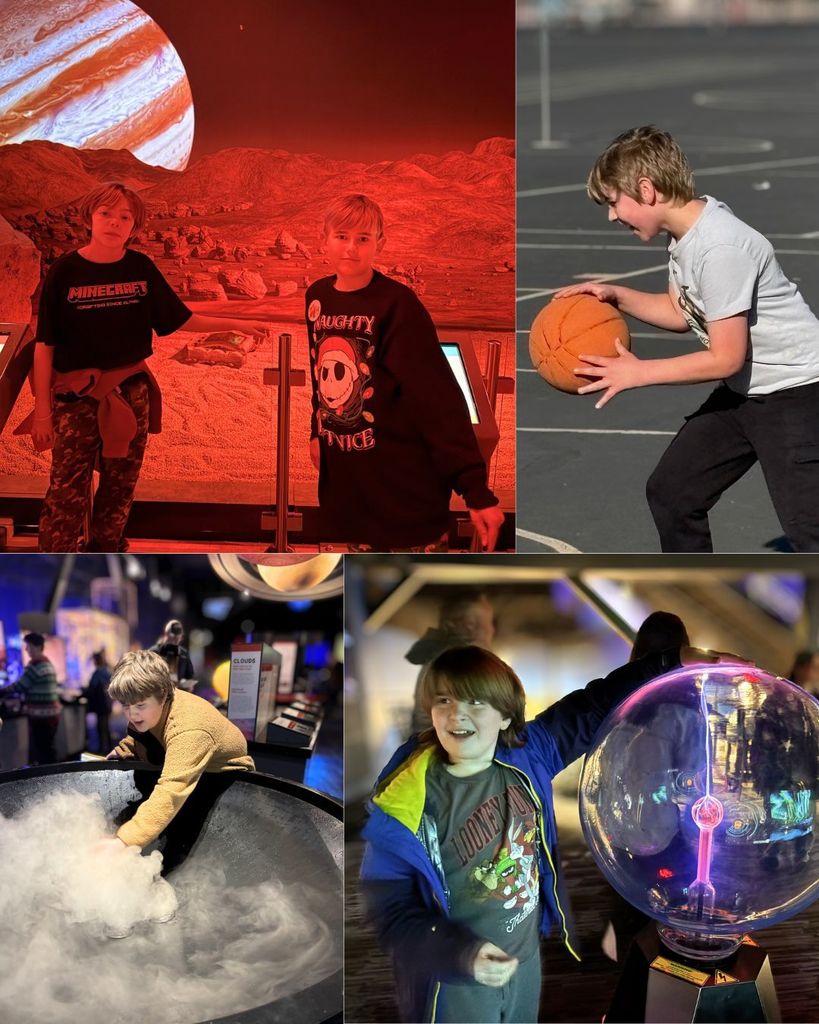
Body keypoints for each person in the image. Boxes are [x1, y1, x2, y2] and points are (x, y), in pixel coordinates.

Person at [360, 641, 727, 1024]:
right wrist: (461, 955)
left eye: (475, 703)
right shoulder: (405, 802)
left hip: (523, 958)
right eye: (445, 701)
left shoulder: (529, 753)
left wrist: (672, 660)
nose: (457, 716)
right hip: (453, 981)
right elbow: (391, 910)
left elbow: (593, 705)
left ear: (506, 716)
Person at [554, 126, 819, 553]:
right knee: (672, 494)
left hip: (796, 395)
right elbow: (682, 313)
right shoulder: (686, 233)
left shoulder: (720, 249)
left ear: (646, 189)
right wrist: (617, 295)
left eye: (613, 202)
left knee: (810, 534)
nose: (611, 216)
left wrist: (638, 373)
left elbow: (726, 357)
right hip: (745, 395)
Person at [16, 181, 270, 552]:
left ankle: (106, 557)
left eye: (124, 217)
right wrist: (41, 413)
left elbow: (180, 318)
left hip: (130, 391)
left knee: (121, 485)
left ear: (134, 227)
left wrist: (236, 324)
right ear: (89, 217)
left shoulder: (141, 267)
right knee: (66, 487)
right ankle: (54, 566)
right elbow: (44, 346)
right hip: (75, 397)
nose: (114, 223)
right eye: (105, 214)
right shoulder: (65, 272)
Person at [306, 194, 505, 553]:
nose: (351, 248)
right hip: (353, 492)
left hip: (404, 494)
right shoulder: (317, 296)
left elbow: (437, 398)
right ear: (324, 238)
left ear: (380, 244)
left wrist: (475, 490)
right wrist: (316, 430)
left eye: (363, 239)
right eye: (342, 236)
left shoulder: (397, 305)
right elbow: (318, 370)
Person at [103, 650, 254, 856]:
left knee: (180, 835)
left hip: (221, 773)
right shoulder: (151, 708)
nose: (132, 713)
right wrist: (125, 749)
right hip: (179, 757)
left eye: (140, 705)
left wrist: (124, 841)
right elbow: (142, 733)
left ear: (163, 693)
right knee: (141, 803)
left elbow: (172, 789)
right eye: (125, 705)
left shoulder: (190, 728)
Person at [406, 589, 496, 735]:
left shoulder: (437, 653)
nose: (492, 630)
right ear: (470, 625)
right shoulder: (461, 659)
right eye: (489, 623)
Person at [17, 632, 62, 766]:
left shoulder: (35, 665)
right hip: (52, 715)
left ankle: (48, 781)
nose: (26, 649)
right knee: (49, 750)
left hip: (41, 716)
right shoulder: (47, 664)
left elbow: (20, 686)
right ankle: (54, 777)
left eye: (28, 646)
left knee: (43, 753)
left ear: (36, 647)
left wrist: (2, 691)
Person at [150, 619, 195, 690]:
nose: (174, 642)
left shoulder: (184, 653)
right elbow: (146, 675)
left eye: (177, 639)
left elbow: (189, 675)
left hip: (178, 692)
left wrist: (187, 684)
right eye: (172, 638)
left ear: (181, 638)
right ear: (166, 634)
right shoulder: (153, 652)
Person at [83, 648, 113, 754]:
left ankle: (102, 750)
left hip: (101, 705)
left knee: (101, 727)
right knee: (106, 727)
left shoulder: (97, 673)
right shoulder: (106, 672)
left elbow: (91, 688)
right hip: (107, 704)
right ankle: (109, 747)